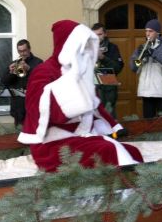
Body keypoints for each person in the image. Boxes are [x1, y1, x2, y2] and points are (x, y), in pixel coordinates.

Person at [18, 19, 143, 172]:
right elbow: (35, 106)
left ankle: (125, 189)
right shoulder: (44, 71)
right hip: (52, 142)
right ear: (67, 46)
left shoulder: (78, 71)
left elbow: (95, 106)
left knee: (132, 152)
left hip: (79, 135)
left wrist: (113, 126)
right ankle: (117, 191)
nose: (84, 52)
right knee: (109, 151)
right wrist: (72, 98)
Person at [130, 19, 162, 118]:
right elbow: (134, 68)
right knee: (148, 122)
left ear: (158, 32)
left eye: (150, 31)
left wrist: (153, 53)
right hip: (146, 92)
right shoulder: (142, 47)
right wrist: (140, 57)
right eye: (146, 31)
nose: (147, 34)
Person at [0, 39, 43, 126]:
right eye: (20, 51)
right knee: (18, 134)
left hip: (32, 104)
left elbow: (42, 79)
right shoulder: (14, 63)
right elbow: (4, 81)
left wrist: (29, 69)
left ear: (29, 49)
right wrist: (11, 72)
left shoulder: (38, 62)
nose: (22, 53)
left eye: (24, 51)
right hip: (18, 105)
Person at [91, 23, 124, 118]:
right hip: (92, 88)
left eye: (99, 34)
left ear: (105, 34)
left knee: (109, 116)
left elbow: (118, 68)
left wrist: (103, 57)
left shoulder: (112, 48)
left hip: (108, 88)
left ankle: (113, 132)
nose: (97, 37)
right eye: (94, 35)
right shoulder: (87, 48)